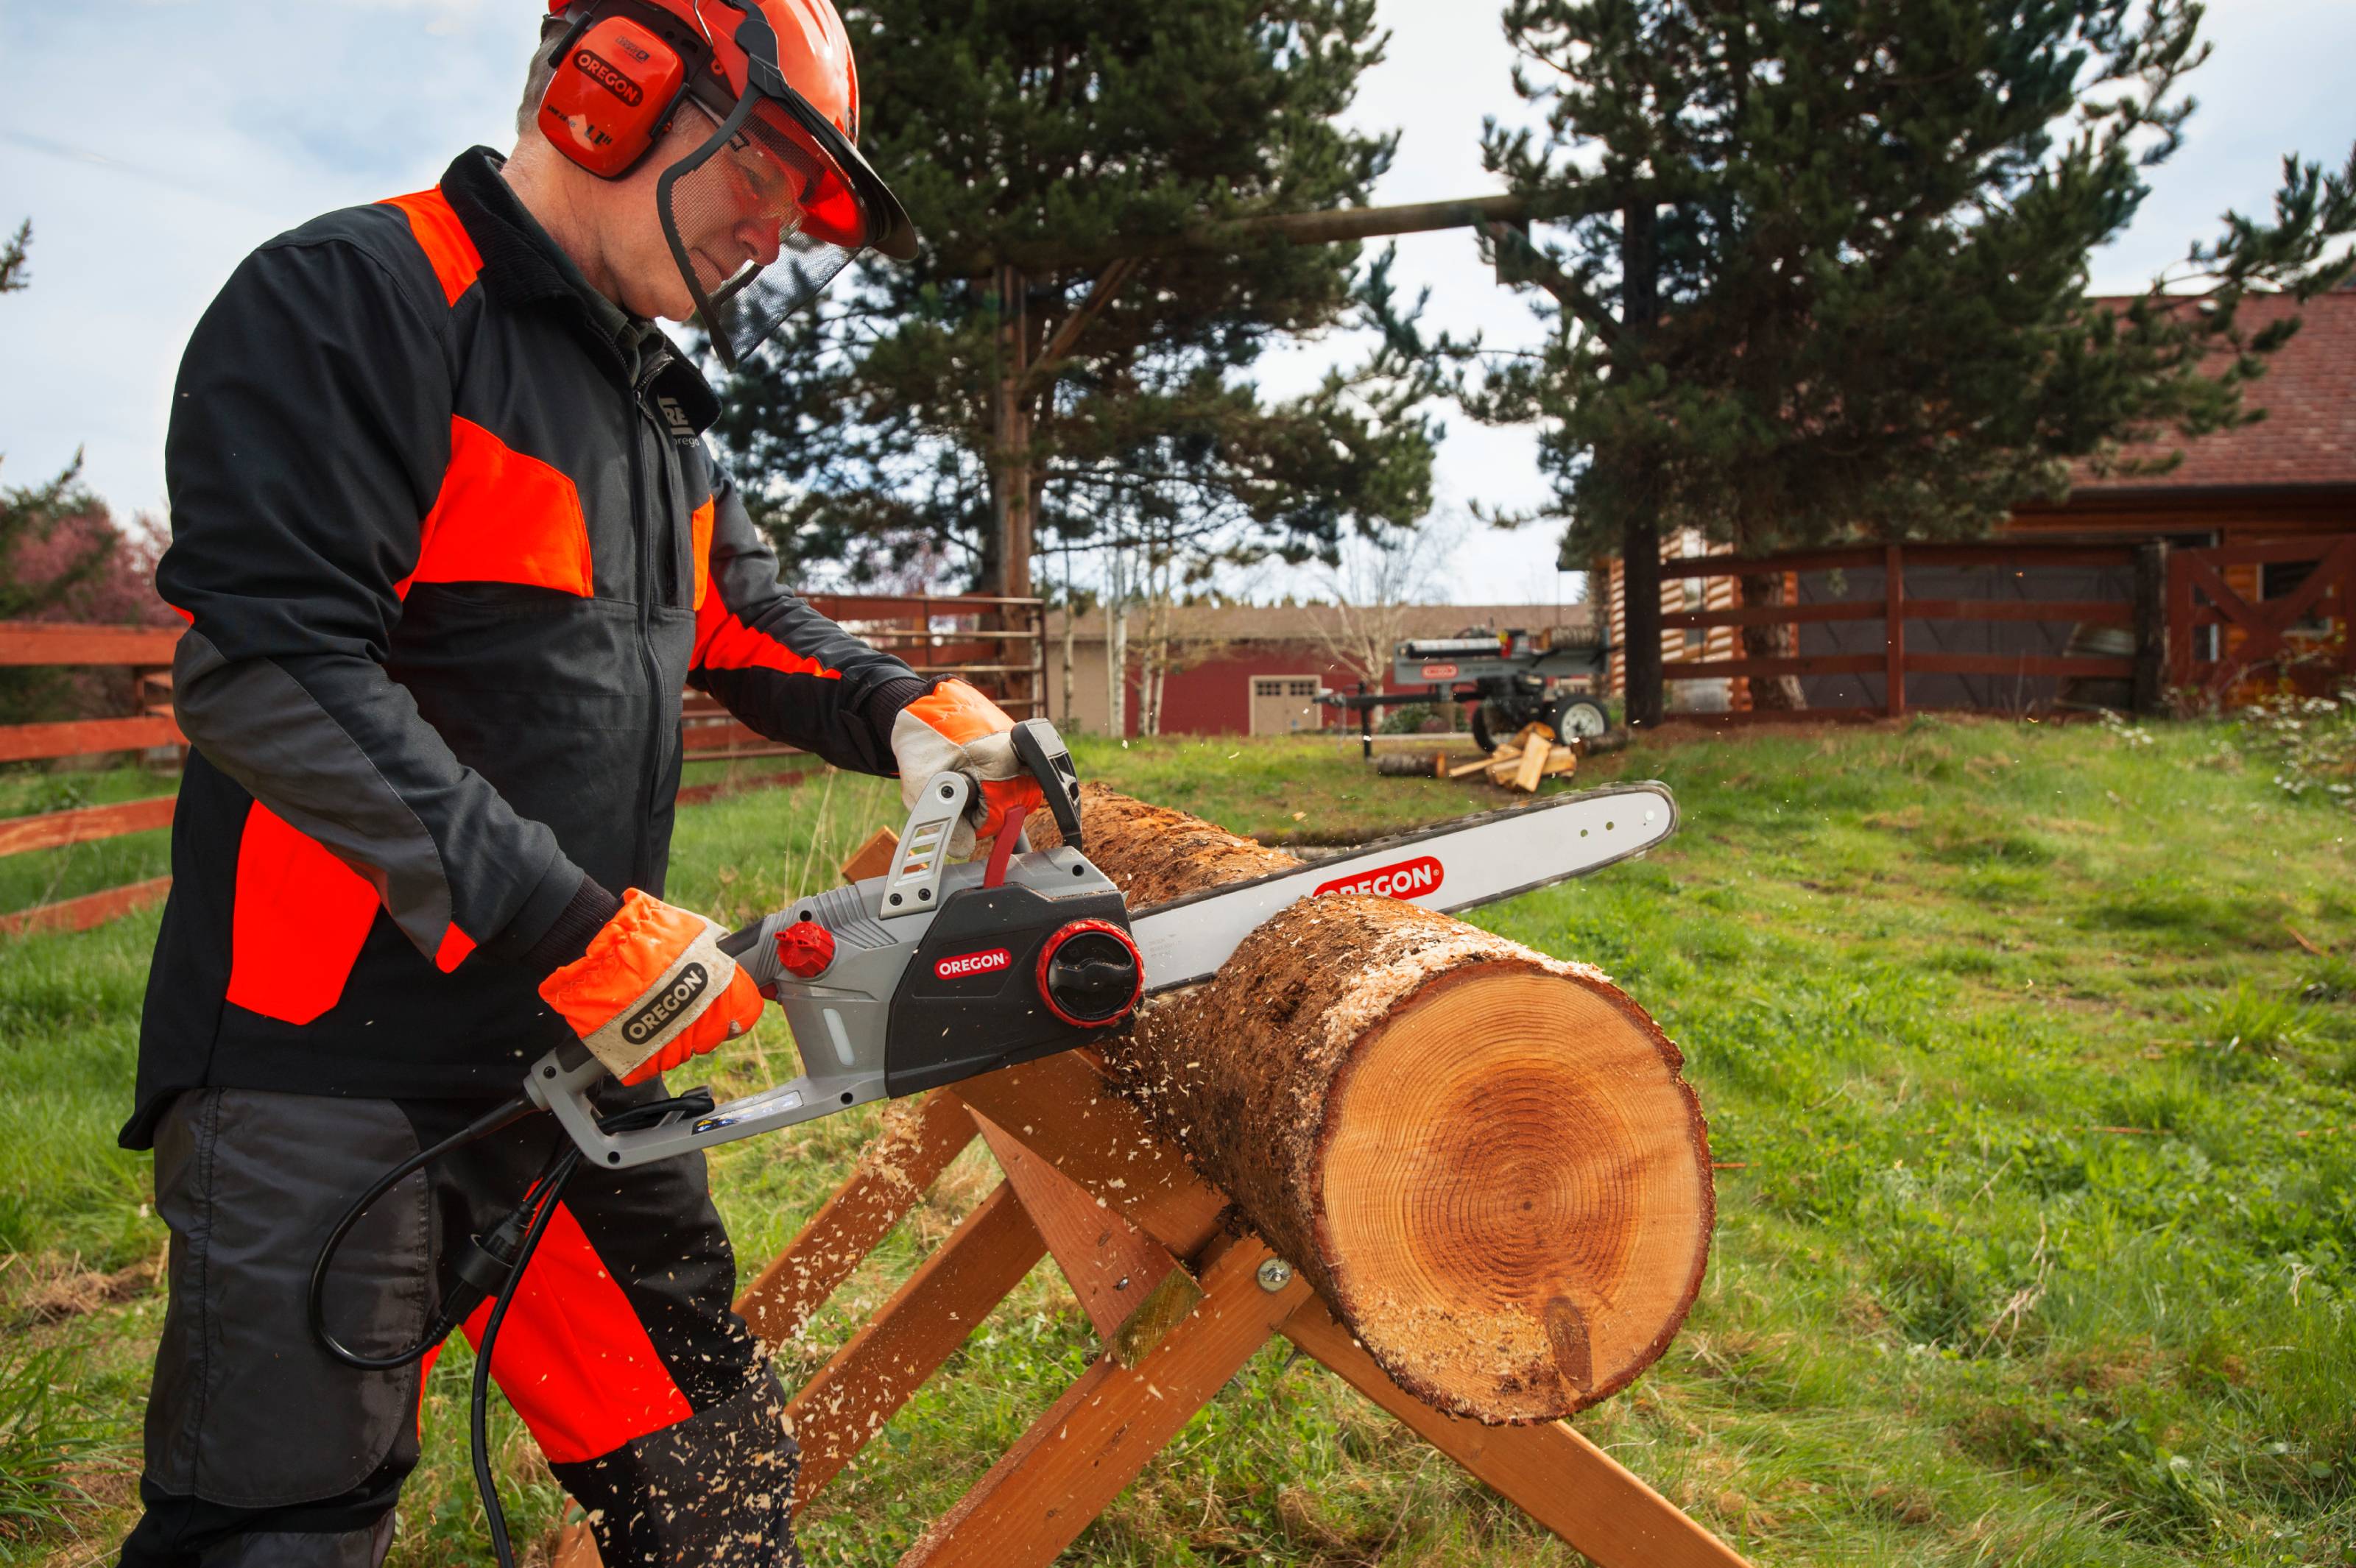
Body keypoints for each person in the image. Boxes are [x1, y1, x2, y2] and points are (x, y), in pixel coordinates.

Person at [118, 4, 1037, 1563]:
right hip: (324, 1070)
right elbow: (269, 664)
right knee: (281, 1523)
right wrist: (564, 921)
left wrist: (908, 712)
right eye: (763, 167)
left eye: (801, 206)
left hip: (575, 1061)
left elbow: (741, 617)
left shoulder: (646, 406)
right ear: (613, 92)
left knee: (708, 1469)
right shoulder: (361, 299)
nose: (772, 227)